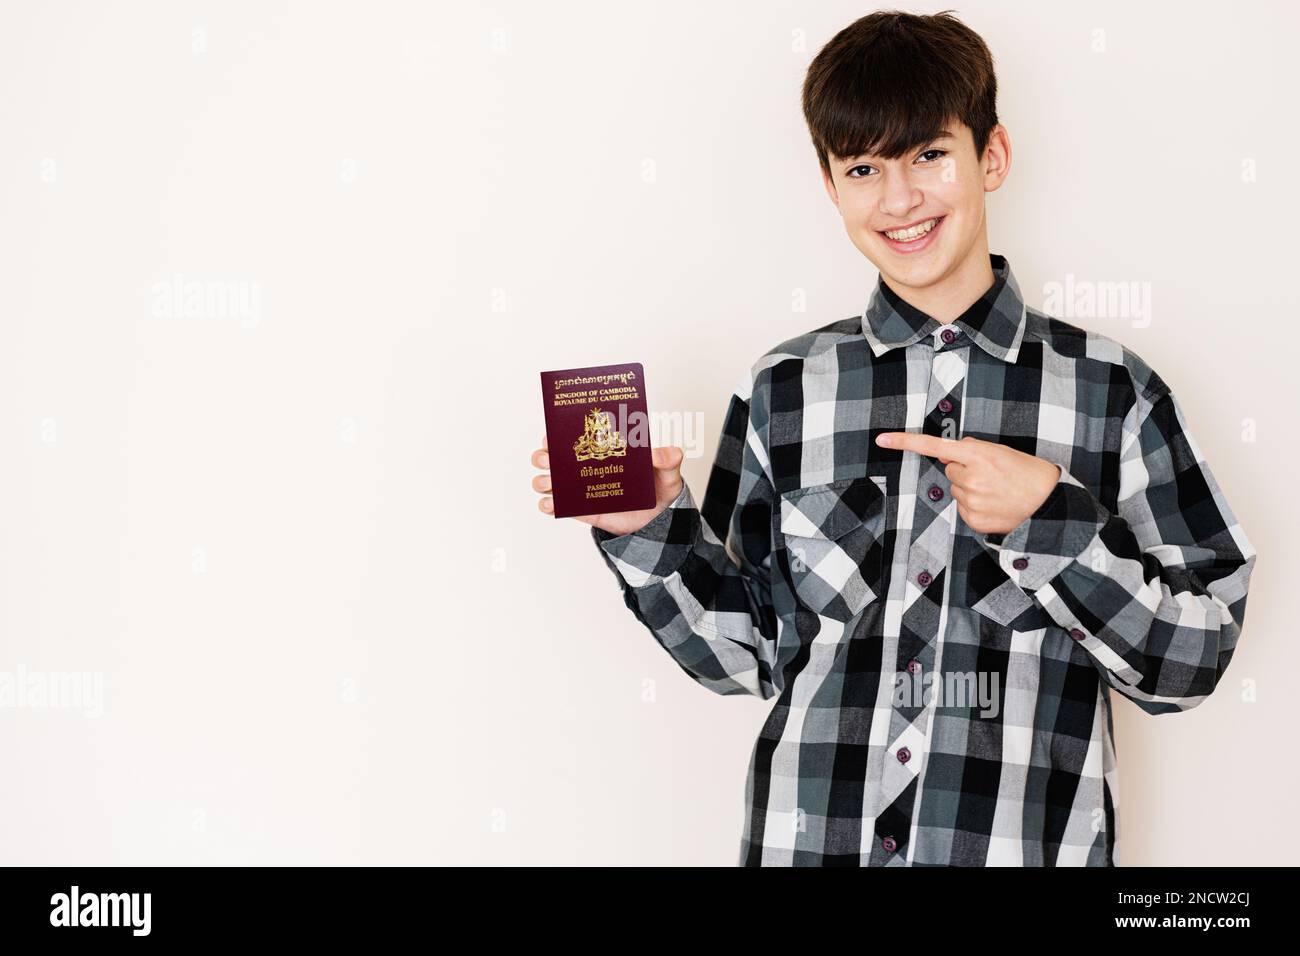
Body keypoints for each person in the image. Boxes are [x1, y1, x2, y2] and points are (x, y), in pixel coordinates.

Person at [529, 9, 1256, 866]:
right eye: (864, 167)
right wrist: (648, 529)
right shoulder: (782, 391)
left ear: (992, 157)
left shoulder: (1113, 391)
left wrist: (1050, 522)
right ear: (830, 188)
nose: (899, 198)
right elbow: (745, 656)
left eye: (929, 155)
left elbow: (1193, 662)